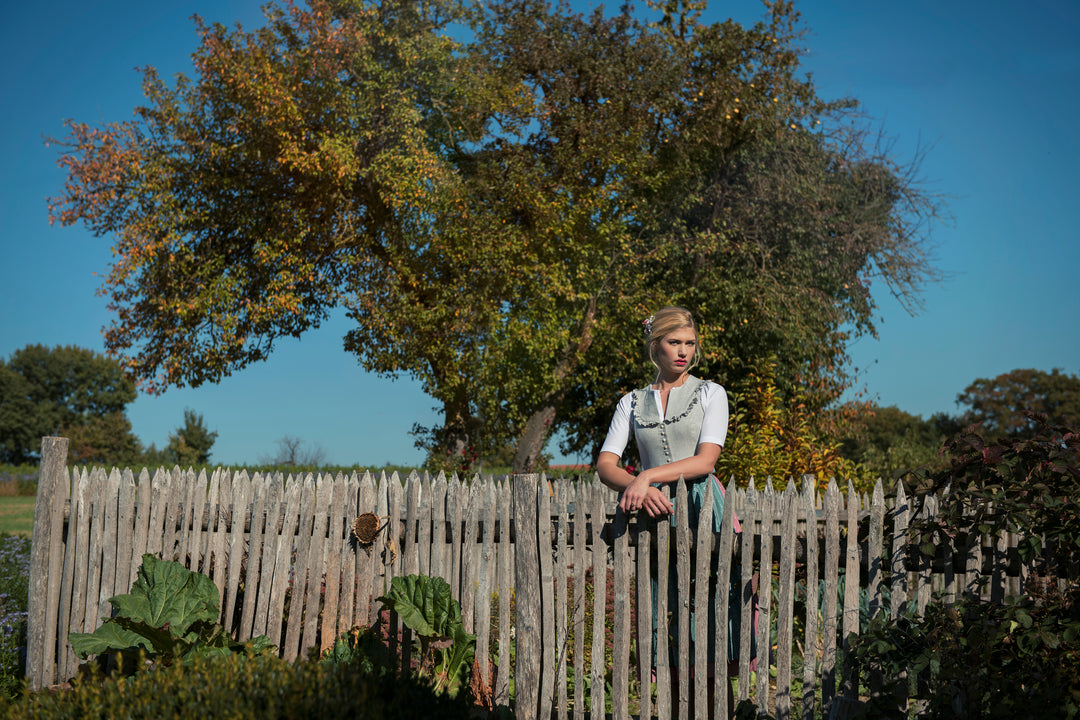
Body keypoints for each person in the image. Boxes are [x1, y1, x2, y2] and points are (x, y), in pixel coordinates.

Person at [596, 305, 744, 716]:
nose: (683, 352)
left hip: (702, 507)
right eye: (674, 342)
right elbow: (606, 464)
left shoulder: (711, 393)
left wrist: (647, 476)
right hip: (655, 515)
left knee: (711, 616)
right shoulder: (631, 402)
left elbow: (706, 460)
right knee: (665, 612)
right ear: (654, 346)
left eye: (690, 344)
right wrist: (638, 486)